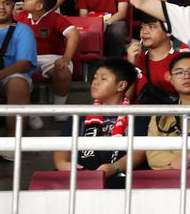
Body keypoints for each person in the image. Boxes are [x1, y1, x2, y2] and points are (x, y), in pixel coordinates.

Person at [52, 58, 145, 188]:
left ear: (121, 85)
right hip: (80, 174)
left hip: (120, 176)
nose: (95, 82)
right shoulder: (78, 116)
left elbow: (138, 153)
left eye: (103, 79)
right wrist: (63, 164)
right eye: (95, 78)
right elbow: (62, 148)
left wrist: (114, 167)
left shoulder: (138, 116)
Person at [17, 0, 78, 129]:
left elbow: (74, 34)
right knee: (16, 78)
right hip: (26, 56)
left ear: (39, 6)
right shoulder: (20, 16)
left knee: (63, 72)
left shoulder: (56, 18)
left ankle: (58, 109)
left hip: (51, 57)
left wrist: (66, 59)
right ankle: (30, 112)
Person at [0, 0, 35, 159]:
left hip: (9, 77)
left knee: (18, 84)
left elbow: (23, 63)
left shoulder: (22, 30)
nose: (1, 7)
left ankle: (12, 144)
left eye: (7, 3)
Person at [146, 52, 190, 175]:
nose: (186, 76)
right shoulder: (160, 115)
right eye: (179, 72)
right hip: (171, 175)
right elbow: (152, 153)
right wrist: (187, 161)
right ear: (170, 78)